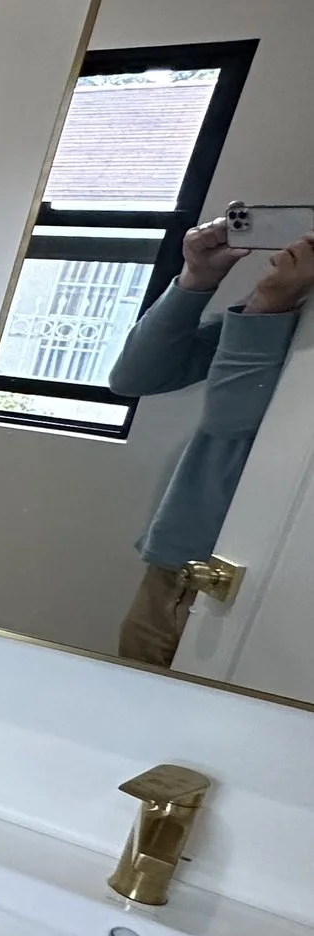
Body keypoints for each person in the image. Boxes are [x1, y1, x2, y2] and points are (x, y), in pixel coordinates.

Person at [108, 219, 314, 666]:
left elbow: (233, 420)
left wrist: (270, 303)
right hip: (191, 566)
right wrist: (196, 280)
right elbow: (134, 377)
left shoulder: (289, 306)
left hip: (248, 582)